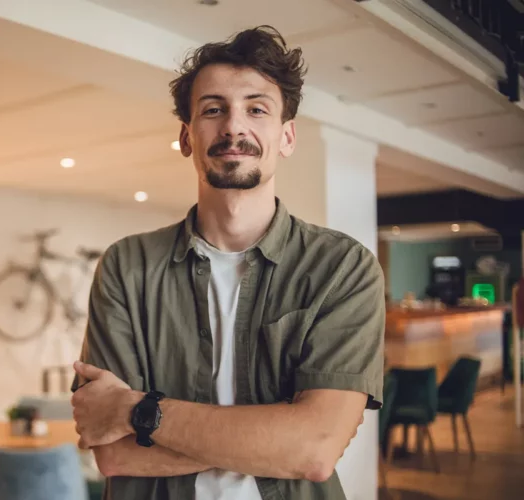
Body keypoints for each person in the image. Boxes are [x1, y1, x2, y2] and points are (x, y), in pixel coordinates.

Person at [71, 25, 385, 500]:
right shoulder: (127, 266)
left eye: (257, 109)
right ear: (186, 136)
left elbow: (313, 451)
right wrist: (274, 440)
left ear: (287, 136)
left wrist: (137, 413)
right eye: (213, 109)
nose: (234, 127)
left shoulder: (342, 268)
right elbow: (115, 455)